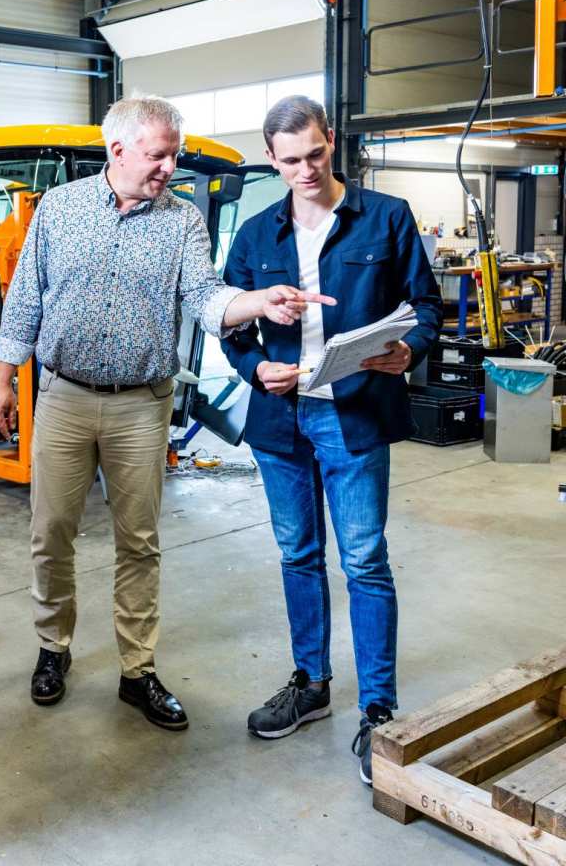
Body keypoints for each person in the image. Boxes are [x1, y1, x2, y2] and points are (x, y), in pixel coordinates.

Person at [0, 95, 332, 731]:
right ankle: (53, 646)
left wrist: (256, 301)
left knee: (139, 542)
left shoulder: (182, 222)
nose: (170, 166)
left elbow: (203, 299)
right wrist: (3, 379)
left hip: (143, 405)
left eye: (173, 153)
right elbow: (25, 300)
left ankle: (137, 669)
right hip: (62, 397)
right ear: (117, 152)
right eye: (158, 154)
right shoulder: (59, 211)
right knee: (50, 532)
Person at [221, 95, 441, 785]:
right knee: (297, 554)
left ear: (331, 141)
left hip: (356, 413)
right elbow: (226, 321)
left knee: (366, 560)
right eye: (290, 160)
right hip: (282, 420)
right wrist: (256, 366)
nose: (307, 169)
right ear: (271, 158)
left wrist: (407, 350)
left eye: (316, 154)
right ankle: (310, 684)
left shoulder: (386, 216)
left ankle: (379, 709)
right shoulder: (257, 235)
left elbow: (427, 307)